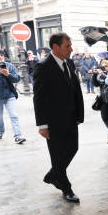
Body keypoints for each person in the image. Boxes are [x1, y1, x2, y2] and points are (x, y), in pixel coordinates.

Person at [33, 33, 83, 202]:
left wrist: (79, 114)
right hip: (53, 121)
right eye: (67, 46)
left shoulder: (69, 62)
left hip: (70, 118)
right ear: (55, 47)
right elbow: (38, 97)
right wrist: (42, 125)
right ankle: (66, 188)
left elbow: (75, 89)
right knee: (56, 154)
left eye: (70, 45)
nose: (71, 49)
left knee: (73, 148)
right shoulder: (43, 66)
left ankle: (53, 174)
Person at [0, 49, 26, 144]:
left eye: (1, 55)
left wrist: (8, 74)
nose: (0, 56)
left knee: (13, 115)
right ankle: (0, 132)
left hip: (10, 94)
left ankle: (18, 135)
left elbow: (17, 79)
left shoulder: (10, 66)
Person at [93, 59, 108, 143]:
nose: (104, 67)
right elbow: (95, 84)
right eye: (103, 66)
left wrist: (101, 74)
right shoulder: (99, 75)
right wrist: (94, 74)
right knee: (104, 118)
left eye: (106, 66)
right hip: (103, 99)